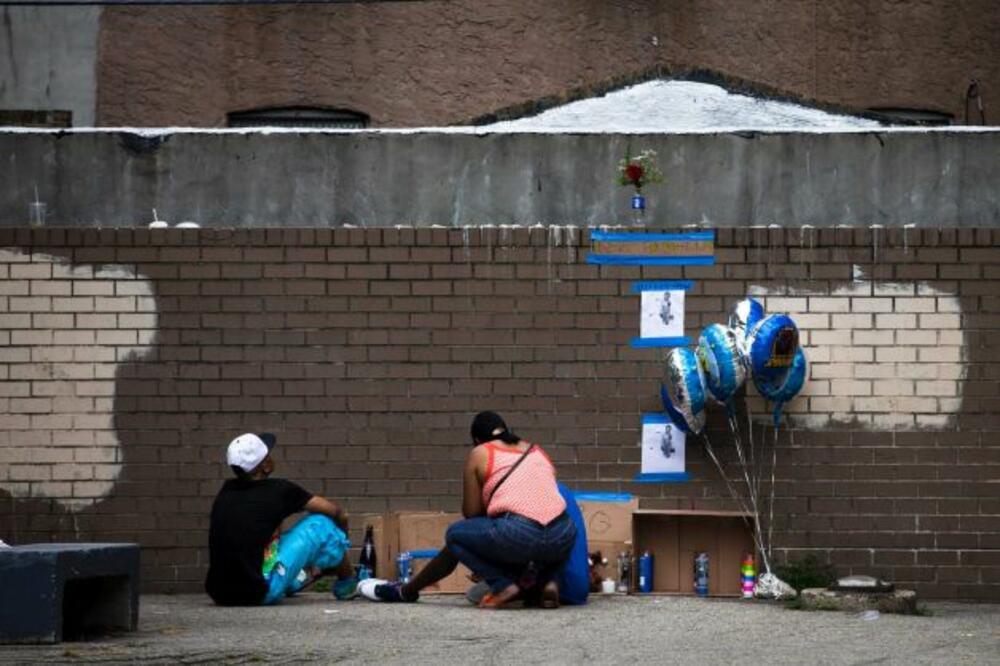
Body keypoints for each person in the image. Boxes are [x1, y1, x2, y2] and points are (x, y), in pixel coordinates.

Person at [362, 411, 577, 608]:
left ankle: (503, 585)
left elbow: (472, 513)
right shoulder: (537, 450)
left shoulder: (481, 452)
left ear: (476, 439)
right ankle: (550, 583)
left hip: (520, 533)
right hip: (563, 532)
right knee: (547, 531)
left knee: (456, 535)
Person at [205, 432, 357, 606]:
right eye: (268, 454)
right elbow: (336, 512)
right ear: (266, 466)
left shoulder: (226, 491)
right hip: (258, 592)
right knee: (322, 524)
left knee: (272, 536)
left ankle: (293, 580)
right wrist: (340, 544)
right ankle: (347, 583)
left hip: (219, 594)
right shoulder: (279, 490)